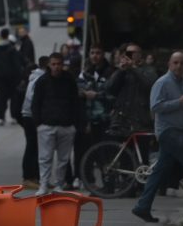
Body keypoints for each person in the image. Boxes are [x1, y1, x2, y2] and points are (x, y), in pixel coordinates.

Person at [131, 52, 183, 222]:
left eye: (182, 63)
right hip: (168, 131)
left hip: (179, 130)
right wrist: (178, 102)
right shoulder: (162, 82)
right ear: (169, 64)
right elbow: (155, 106)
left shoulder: (182, 83)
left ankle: (143, 206)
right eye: (175, 62)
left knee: (159, 170)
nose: (178, 66)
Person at [32, 52, 80, 195]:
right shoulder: (42, 81)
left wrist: (74, 123)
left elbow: (75, 101)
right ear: (49, 65)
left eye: (59, 64)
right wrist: (38, 123)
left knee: (63, 159)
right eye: (53, 64)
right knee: (45, 158)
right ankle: (44, 185)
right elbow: (36, 102)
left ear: (62, 64)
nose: (56, 67)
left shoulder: (69, 80)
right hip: (46, 125)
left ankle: (59, 184)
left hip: (66, 125)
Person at [74, 45, 114, 187]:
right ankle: (88, 182)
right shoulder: (85, 73)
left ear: (103, 55)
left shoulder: (110, 72)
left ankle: (108, 183)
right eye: (92, 53)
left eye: (98, 53)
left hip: (105, 119)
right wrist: (84, 93)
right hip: (88, 119)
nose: (95, 56)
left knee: (105, 153)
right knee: (87, 152)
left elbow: (112, 93)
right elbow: (78, 90)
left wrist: (96, 95)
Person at [104, 42, 156, 137]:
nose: (130, 55)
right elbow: (109, 88)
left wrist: (133, 68)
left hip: (140, 119)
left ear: (140, 55)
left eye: (133, 53)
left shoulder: (148, 69)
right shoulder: (122, 70)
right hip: (121, 120)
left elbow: (150, 84)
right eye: (128, 53)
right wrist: (120, 71)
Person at [19, 55, 49, 188]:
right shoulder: (39, 79)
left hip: (31, 115)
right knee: (32, 146)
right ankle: (28, 177)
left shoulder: (38, 77)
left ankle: (36, 177)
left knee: (37, 147)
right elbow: (33, 98)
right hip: (31, 116)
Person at [0, 29, 23, 125]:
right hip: (12, 78)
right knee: (13, 97)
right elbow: (17, 64)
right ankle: (13, 116)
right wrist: (19, 77)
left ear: (0, 35)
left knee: (1, 98)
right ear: (8, 35)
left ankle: (1, 117)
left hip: (0, 78)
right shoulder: (12, 49)